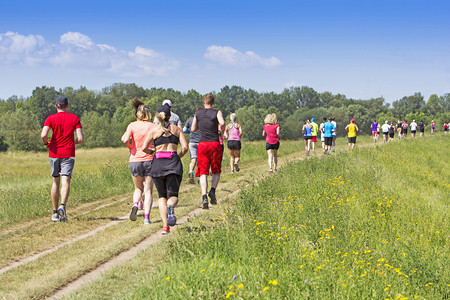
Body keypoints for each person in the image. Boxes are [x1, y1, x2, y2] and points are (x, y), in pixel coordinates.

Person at [142, 105, 188, 235]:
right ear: (170, 116)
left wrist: (153, 152)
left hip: (158, 165)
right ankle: (171, 206)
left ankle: (165, 226)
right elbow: (185, 147)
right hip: (173, 164)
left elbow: (144, 148)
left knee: (161, 196)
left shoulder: (154, 131)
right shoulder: (176, 130)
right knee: (173, 196)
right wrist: (177, 156)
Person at [40, 96, 84, 222]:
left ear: (56, 106)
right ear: (67, 106)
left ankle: (54, 213)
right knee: (66, 180)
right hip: (68, 153)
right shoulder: (74, 118)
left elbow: (43, 134)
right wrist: (72, 142)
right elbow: (80, 138)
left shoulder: (50, 118)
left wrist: (46, 143)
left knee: (55, 182)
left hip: (54, 153)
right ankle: (62, 206)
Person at [121, 99, 155, 224]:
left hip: (135, 160)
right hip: (149, 159)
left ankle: (135, 204)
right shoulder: (153, 126)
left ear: (137, 115)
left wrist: (131, 147)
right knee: (148, 190)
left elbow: (124, 139)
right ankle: (147, 217)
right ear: (148, 114)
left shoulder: (132, 125)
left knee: (138, 188)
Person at [191, 93, 225, 209]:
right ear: (213, 103)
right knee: (216, 170)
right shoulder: (217, 112)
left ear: (204, 102)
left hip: (203, 144)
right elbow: (222, 123)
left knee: (203, 172)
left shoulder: (198, 113)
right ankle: (213, 190)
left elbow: (193, 128)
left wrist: (202, 125)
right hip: (215, 143)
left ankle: (204, 196)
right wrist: (221, 131)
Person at [183, 106, 202, 183]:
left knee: (193, 159)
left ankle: (191, 171)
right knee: (200, 161)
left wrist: (190, 132)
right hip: (201, 142)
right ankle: (200, 178)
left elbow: (184, 130)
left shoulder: (190, 120)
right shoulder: (202, 120)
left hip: (192, 142)